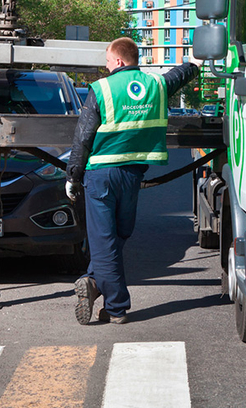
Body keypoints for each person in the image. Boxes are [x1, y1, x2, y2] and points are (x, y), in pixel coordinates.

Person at [65, 37, 201, 324]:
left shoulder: (101, 88)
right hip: (131, 175)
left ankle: (115, 306)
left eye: (107, 61)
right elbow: (178, 76)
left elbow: (83, 136)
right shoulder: (156, 86)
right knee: (119, 234)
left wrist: (73, 175)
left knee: (103, 240)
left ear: (119, 61)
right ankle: (92, 282)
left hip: (100, 175)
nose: (105, 66)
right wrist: (195, 63)